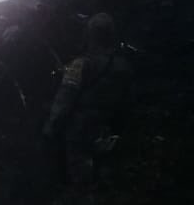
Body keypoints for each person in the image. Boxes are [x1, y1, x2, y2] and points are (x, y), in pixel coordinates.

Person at [42, 13, 133, 186]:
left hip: (80, 130)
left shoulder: (80, 64)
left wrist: (51, 127)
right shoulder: (123, 66)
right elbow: (128, 101)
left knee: (80, 179)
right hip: (109, 128)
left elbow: (64, 99)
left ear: (90, 35)